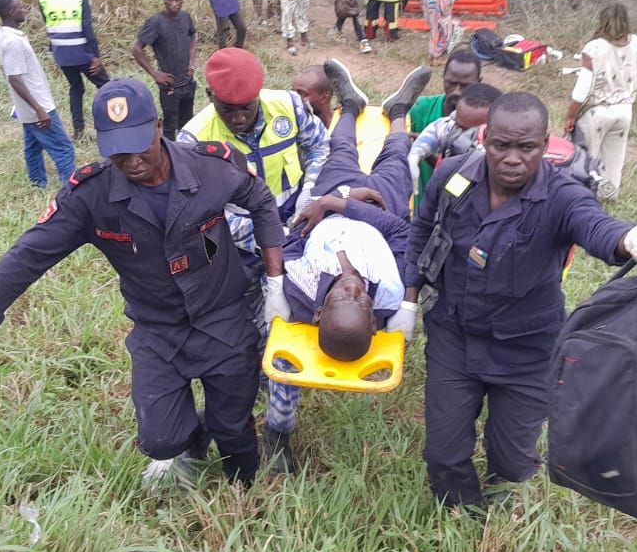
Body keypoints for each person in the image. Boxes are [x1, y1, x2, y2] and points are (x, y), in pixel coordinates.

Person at [0, 78, 288, 490]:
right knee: (160, 440)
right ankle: (188, 442)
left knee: (233, 431)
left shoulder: (209, 167)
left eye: (139, 145)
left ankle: (241, 481)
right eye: (117, 150)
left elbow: (260, 202)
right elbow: (30, 254)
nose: (131, 160)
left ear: (158, 126)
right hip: (158, 329)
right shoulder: (91, 195)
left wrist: (275, 284)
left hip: (222, 317)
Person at [402, 91, 637, 509]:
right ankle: (459, 515)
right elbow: (421, 229)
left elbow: (594, 226)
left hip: (526, 351)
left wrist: (629, 239)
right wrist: (408, 299)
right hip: (454, 337)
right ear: (485, 139)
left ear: (544, 144)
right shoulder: (453, 175)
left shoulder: (562, 196)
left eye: (526, 147)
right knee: (443, 454)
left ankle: (500, 510)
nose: (512, 159)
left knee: (513, 461)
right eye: (501, 145)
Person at [260, 60, 432, 472]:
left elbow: (292, 241)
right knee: (396, 158)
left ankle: (350, 105)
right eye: (361, 301)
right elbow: (402, 234)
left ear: (320, 312)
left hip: (329, 201)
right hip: (381, 208)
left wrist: (331, 201)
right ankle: (399, 110)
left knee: (340, 152)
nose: (354, 289)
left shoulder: (300, 287)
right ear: (373, 318)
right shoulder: (389, 291)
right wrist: (349, 206)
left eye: (344, 297)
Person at [178, 46, 330, 252]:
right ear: (210, 96)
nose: (239, 118)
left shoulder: (289, 105)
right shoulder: (193, 141)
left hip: (296, 212)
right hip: (243, 233)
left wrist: (311, 190)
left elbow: (319, 146)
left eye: (247, 108)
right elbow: (199, 210)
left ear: (258, 95)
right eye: (228, 110)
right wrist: (270, 236)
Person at [0, 0, 77, 188]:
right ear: (11, 12)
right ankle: (71, 193)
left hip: (28, 108)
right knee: (64, 150)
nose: (24, 10)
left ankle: (38, 185)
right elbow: (14, 78)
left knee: (33, 147)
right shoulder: (13, 41)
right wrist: (39, 109)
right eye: (19, 7)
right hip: (38, 106)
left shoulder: (6, 35)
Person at [562, 3, 637, 198]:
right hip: (625, 110)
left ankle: (581, 198)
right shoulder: (635, 42)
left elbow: (582, 90)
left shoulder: (595, 47)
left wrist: (570, 115)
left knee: (585, 159)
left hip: (597, 111)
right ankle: (608, 197)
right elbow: (636, 69)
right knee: (614, 160)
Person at [38, 0, 108, 140]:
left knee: (76, 88)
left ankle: (78, 130)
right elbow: (86, 25)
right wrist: (95, 55)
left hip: (61, 53)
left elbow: (48, 22)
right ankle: (113, 123)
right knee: (106, 86)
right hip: (82, 52)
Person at [408, 49, 483, 204]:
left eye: (466, 86)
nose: (457, 91)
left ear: (479, 83)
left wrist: (425, 152)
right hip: (418, 203)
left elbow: (464, 174)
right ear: (443, 77)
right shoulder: (420, 109)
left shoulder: (484, 123)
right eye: (451, 83)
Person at [130, 0, 198, 139]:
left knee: (187, 125)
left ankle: (185, 151)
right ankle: (170, 152)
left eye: (178, 0)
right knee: (169, 127)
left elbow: (193, 35)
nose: (174, 4)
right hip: (170, 86)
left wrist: (191, 61)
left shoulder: (185, 17)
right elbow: (136, 48)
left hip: (188, 83)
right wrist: (155, 74)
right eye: (170, 0)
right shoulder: (156, 22)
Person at [408, 82, 501, 192]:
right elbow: (437, 130)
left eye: (473, 132)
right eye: (460, 127)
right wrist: (416, 154)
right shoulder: (451, 126)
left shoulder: (503, 157)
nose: (462, 137)